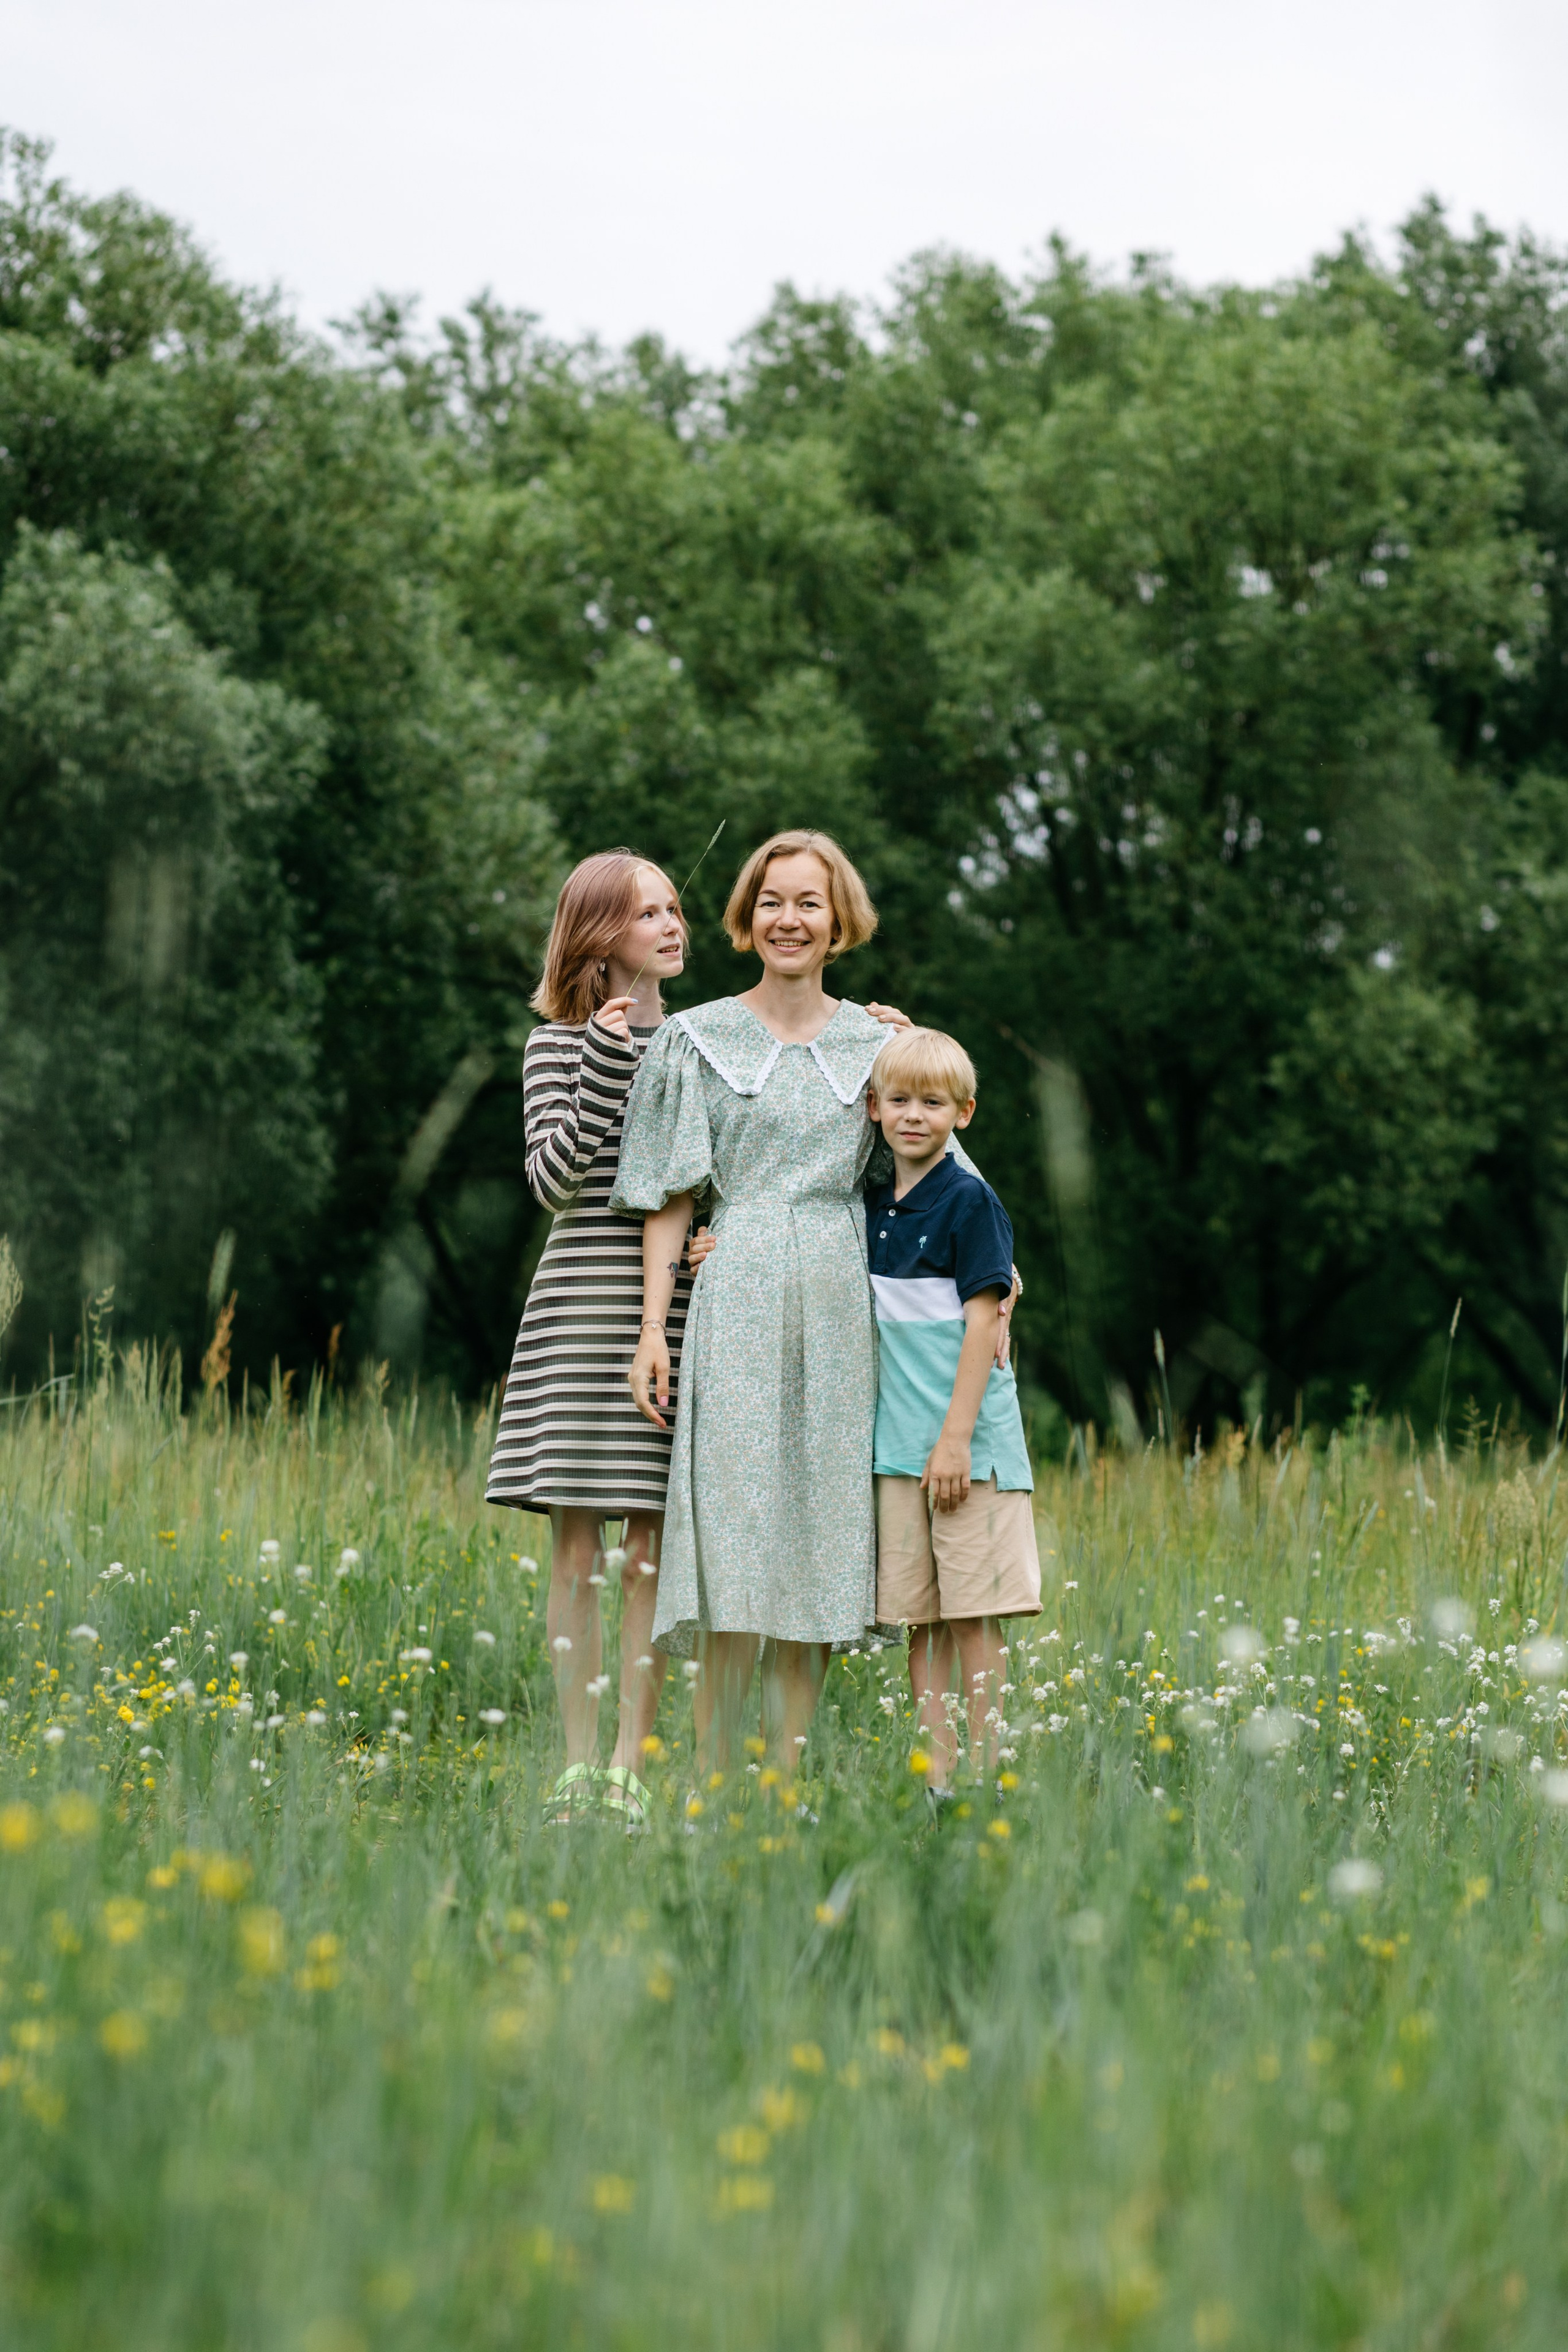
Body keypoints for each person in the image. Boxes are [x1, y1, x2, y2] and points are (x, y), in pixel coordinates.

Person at [613, 830, 911, 1769]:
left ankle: (782, 1780)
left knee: (822, 1529)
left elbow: (931, 1169)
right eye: (773, 901)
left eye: (809, 903)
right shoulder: (698, 1039)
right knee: (735, 1532)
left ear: (839, 923)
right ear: (747, 918)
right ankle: (710, 1783)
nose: (790, 918)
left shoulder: (881, 1047)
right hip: (733, 1290)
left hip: (838, 1295)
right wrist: (654, 1329)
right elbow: (670, 1196)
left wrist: (999, 1288)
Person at [486, 850, 704, 1826]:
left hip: (683, 1311)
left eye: (674, 909)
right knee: (577, 1551)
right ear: (600, 937)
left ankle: (630, 1767)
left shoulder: (708, 1044)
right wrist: (611, 1059)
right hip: (582, 1300)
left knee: (652, 1551)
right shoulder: (557, 1046)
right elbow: (555, 1183)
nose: (671, 925)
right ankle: (577, 1769)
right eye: (645, 913)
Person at [864, 1026, 1041, 1797]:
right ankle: (938, 1780)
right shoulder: (869, 1204)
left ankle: (988, 1773)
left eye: (931, 1102)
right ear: (872, 1108)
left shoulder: (970, 1200)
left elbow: (982, 1320)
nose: (913, 1115)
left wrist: (956, 1441)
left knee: (974, 1616)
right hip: (897, 1451)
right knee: (921, 1621)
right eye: (898, 1100)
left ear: (962, 1114)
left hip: (968, 1446)